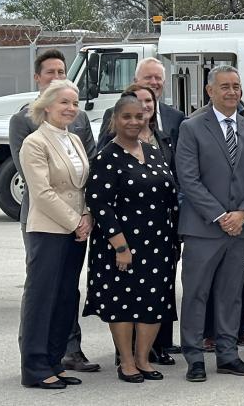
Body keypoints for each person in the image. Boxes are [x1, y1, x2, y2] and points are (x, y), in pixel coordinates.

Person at [9, 50, 99, 374]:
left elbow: (88, 177)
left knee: (65, 294)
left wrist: (87, 215)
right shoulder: (30, 133)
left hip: (77, 228)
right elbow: (40, 188)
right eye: (51, 72)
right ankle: (34, 364)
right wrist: (75, 219)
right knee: (41, 294)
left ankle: (58, 358)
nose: (71, 108)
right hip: (47, 225)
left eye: (62, 71)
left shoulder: (74, 134)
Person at [175, 65, 244, 382]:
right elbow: (188, 178)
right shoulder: (192, 127)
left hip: (240, 229)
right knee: (197, 294)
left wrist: (242, 214)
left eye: (236, 86)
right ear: (210, 91)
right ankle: (195, 356)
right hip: (203, 228)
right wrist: (220, 215)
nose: (231, 91)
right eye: (224, 86)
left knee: (231, 295)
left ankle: (228, 355)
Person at [83, 92, 178, 383]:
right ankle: (126, 362)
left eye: (139, 116)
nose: (134, 121)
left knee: (154, 301)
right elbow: (99, 204)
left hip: (158, 242)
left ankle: (143, 359)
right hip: (122, 245)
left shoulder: (151, 151)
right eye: (127, 116)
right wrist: (120, 246)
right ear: (114, 120)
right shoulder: (106, 157)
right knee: (123, 301)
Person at [100, 57, 186, 154]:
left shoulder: (176, 117)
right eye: (148, 77)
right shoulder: (114, 114)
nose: (153, 82)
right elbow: (102, 153)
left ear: (164, 83)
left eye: (158, 78)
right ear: (135, 81)